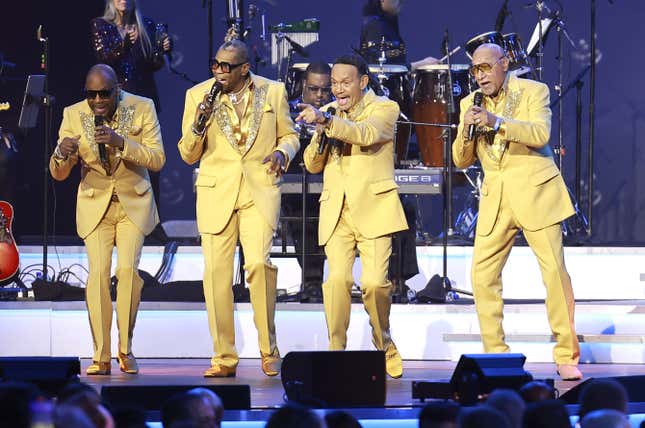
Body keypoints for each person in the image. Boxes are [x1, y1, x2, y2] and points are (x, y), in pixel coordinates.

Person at [452, 43, 581, 380]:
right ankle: (496, 357)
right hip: (496, 199)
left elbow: (540, 133)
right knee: (482, 277)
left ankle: (566, 354)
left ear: (503, 64)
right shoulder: (469, 103)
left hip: (535, 191)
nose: (480, 76)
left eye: (485, 68)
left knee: (554, 273)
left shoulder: (533, 91)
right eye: (474, 70)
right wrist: (466, 131)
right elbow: (460, 159)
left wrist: (496, 121)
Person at [178, 40, 299, 378]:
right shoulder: (198, 96)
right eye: (215, 64)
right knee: (216, 276)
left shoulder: (272, 91)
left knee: (258, 264)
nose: (219, 71)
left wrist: (282, 153)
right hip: (217, 193)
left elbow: (290, 136)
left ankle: (268, 348)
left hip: (258, 190)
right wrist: (199, 123)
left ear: (244, 68)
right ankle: (223, 356)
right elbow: (188, 154)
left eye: (226, 66)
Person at [50, 64, 165, 375]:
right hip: (94, 205)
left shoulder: (142, 107)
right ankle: (100, 354)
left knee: (127, 271)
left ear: (118, 88)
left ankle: (125, 349)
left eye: (104, 93)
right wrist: (62, 153)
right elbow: (58, 173)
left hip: (132, 203)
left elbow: (157, 159)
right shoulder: (73, 114)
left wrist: (121, 142)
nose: (98, 100)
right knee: (98, 274)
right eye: (91, 94)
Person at [298, 54, 408, 379]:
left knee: (374, 284)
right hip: (337, 211)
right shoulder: (329, 113)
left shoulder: (385, 108)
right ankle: (336, 353)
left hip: (374, 208)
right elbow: (312, 164)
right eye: (334, 83)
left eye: (345, 82)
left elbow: (366, 134)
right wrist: (320, 132)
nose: (338, 89)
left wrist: (327, 122)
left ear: (363, 81)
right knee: (336, 282)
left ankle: (383, 342)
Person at [285, 61, 333, 300]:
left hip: (334, 183)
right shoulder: (289, 112)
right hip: (299, 186)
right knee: (301, 207)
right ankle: (312, 281)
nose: (319, 95)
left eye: (325, 90)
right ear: (304, 85)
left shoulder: (338, 112)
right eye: (314, 89)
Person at [90, 0, 171, 110]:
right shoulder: (101, 25)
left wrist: (162, 50)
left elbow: (153, 65)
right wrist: (123, 46)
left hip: (145, 97)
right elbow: (104, 59)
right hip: (118, 99)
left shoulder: (146, 25)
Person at [359, 0, 438, 69]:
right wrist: (421, 64)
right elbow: (382, 68)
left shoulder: (386, 23)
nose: (400, 2)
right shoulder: (375, 26)